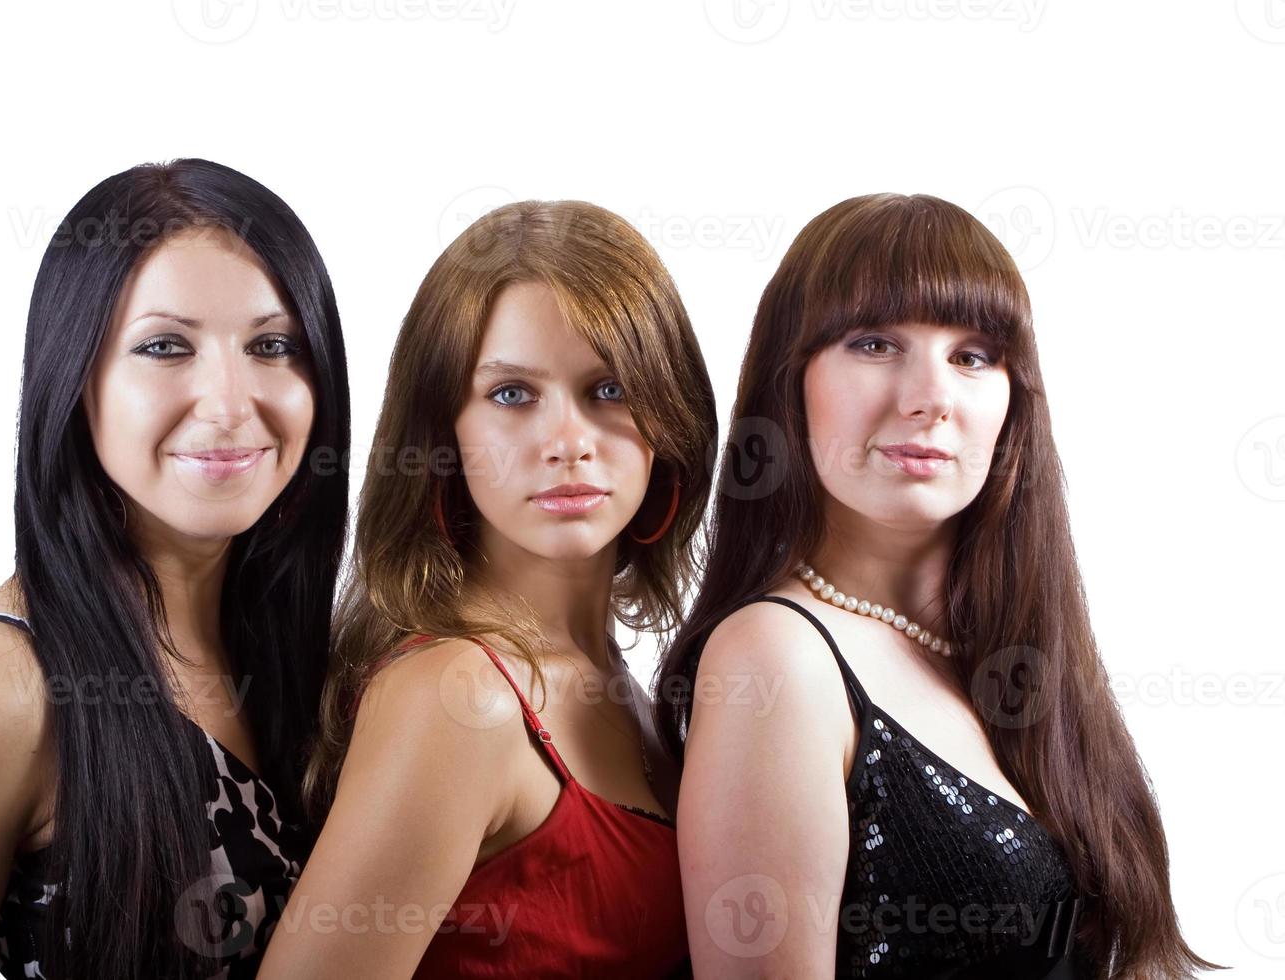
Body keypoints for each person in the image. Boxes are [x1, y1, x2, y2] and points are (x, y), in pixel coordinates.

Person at [662, 193, 1219, 978]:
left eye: (974, 356)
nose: (930, 397)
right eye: (876, 343)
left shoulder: (1013, 653)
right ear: (791, 383)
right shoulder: (775, 659)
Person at [0, 158, 351, 980]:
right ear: (78, 382)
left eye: (271, 345)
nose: (228, 401)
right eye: (164, 347)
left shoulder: (322, 651)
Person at [259, 200, 716, 978]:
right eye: (512, 394)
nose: (567, 442)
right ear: (444, 435)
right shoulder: (457, 695)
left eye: (609, 389)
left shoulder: (628, 688)